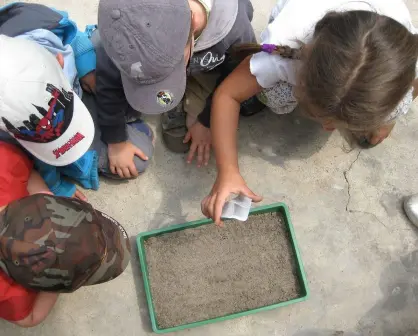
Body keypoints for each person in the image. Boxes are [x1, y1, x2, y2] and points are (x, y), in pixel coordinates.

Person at [201, 0, 418, 225]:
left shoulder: (402, 51)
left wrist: (386, 119)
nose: (326, 129)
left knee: (397, 107)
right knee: (276, 96)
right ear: (302, 74)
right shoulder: (282, 51)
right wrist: (227, 170)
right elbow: (228, 95)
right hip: (304, 36)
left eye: (332, 122)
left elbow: (413, 82)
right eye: (324, 118)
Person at [95, 0, 258, 174]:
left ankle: (184, 88)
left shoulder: (235, 29)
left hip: (210, 66)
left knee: (247, 100)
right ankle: (175, 86)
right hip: (190, 59)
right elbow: (108, 82)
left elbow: (238, 75)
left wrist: (207, 121)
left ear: (193, 22)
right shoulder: (119, 29)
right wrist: (115, 140)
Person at [0, 3, 154, 185]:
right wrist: (58, 186)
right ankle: (73, 163)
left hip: (74, 98)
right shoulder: (9, 124)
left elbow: (74, 36)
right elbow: (31, 153)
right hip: (56, 119)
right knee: (137, 159)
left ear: (59, 60)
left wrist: (86, 66)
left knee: (108, 49)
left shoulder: (40, 24)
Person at [0, 142, 131, 327]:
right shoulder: (11, 296)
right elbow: (30, 318)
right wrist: (55, 286)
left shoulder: (6, 162)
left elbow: (26, 171)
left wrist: (45, 196)